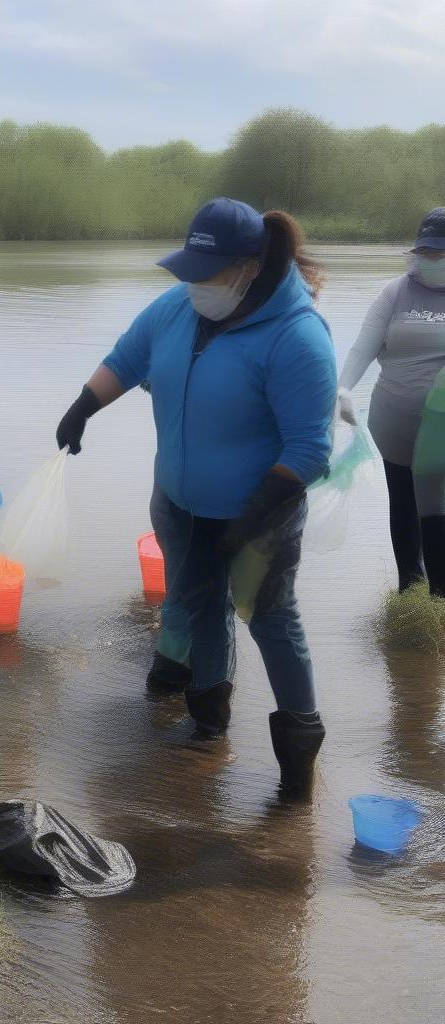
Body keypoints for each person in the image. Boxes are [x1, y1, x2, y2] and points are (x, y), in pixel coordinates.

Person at [56, 198, 337, 798]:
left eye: (204, 273)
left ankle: (296, 771)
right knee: (200, 605)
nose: (192, 284)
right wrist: (83, 407)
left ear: (249, 267)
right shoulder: (175, 309)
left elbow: (311, 449)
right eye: (187, 271)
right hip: (181, 504)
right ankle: (208, 721)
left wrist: (251, 516)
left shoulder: (297, 335)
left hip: (262, 514)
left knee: (270, 620)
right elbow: (126, 359)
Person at [337, 207, 445, 595]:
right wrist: (344, 388)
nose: (432, 260)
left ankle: (439, 600)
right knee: (403, 501)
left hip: (442, 429)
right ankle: (411, 592)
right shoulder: (395, 292)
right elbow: (363, 347)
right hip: (393, 423)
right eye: (427, 252)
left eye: (441, 253)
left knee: (434, 504)